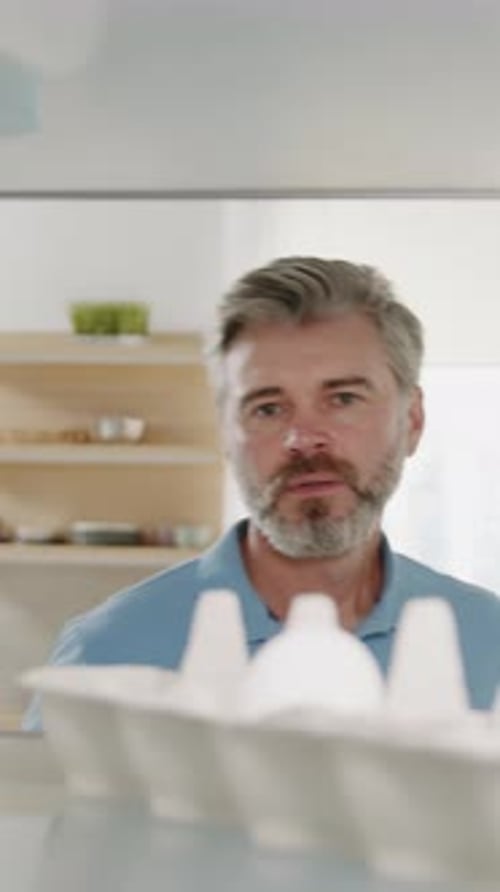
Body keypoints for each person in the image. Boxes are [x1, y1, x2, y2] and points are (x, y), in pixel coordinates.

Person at [24, 256, 500, 729]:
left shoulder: (489, 642)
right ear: (226, 437)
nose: (304, 438)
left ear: (411, 421)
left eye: (343, 399)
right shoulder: (106, 655)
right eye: (269, 408)